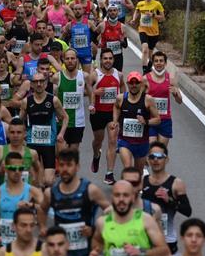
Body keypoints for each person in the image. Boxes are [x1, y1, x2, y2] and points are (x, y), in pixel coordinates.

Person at [41, 149, 109, 256]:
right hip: (60, 254)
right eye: (61, 165)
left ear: (77, 166)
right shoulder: (50, 193)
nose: (65, 169)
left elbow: (111, 212)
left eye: (69, 165)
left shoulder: (90, 190)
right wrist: (42, 227)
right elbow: (42, 209)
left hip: (84, 254)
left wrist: (95, 230)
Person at [141, 142, 192, 255]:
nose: (155, 160)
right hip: (144, 237)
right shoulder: (142, 182)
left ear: (166, 160)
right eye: (152, 157)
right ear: (148, 160)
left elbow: (187, 211)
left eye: (160, 157)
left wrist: (169, 200)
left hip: (167, 240)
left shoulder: (176, 183)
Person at [19, 72, 68, 187]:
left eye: (41, 81)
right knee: (34, 181)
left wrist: (61, 134)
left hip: (48, 144)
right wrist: (23, 135)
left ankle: (47, 197)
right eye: (36, 82)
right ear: (32, 84)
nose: (39, 84)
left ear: (46, 83)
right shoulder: (27, 101)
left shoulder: (53, 100)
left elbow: (65, 117)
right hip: (32, 143)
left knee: (49, 181)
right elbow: (19, 121)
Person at [112, 71, 161, 173]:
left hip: (141, 142)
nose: (134, 85)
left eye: (137, 83)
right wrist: (115, 120)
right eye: (131, 83)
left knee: (138, 173)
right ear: (127, 83)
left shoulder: (148, 100)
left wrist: (146, 121)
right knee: (128, 168)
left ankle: (136, 188)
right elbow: (116, 107)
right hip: (125, 141)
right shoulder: (121, 98)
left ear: (141, 84)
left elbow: (158, 120)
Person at [0, 154, 45, 246]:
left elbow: (48, 211)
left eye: (20, 168)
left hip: (25, 245)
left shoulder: (33, 191)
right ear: (5, 169)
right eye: (13, 168)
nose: (17, 172)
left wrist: (32, 206)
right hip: (4, 245)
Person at [90, 48, 123, 179]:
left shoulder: (119, 75)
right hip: (98, 113)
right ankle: (96, 155)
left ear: (113, 60)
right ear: (101, 60)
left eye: (110, 58)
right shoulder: (95, 75)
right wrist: (94, 95)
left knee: (113, 140)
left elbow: (124, 91)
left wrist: (124, 104)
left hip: (113, 113)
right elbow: (87, 90)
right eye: (105, 58)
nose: (108, 61)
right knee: (98, 140)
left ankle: (109, 173)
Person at [55, 49, 92, 153]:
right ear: (63, 60)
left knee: (73, 154)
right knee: (61, 153)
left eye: (72, 58)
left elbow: (90, 90)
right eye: (67, 58)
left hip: (78, 122)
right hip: (61, 122)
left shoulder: (84, 76)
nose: (70, 61)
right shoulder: (56, 77)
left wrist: (92, 104)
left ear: (77, 60)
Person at [146, 51, 182, 146]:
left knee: (161, 152)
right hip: (151, 119)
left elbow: (180, 101)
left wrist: (176, 94)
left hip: (165, 120)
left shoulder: (171, 79)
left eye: (161, 61)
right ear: (153, 63)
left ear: (165, 63)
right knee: (151, 149)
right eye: (156, 61)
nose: (158, 63)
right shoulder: (145, 79)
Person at [131, 0, 165, 74]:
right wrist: (134, 19)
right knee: (144, 49)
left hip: (154, 32)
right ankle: (144, 70)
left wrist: (153, 16)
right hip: (143, 30)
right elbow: (137, 11)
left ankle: (149, 65)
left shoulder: (157, 4)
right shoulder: (140, 3)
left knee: (150, 54)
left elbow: (162, 18)